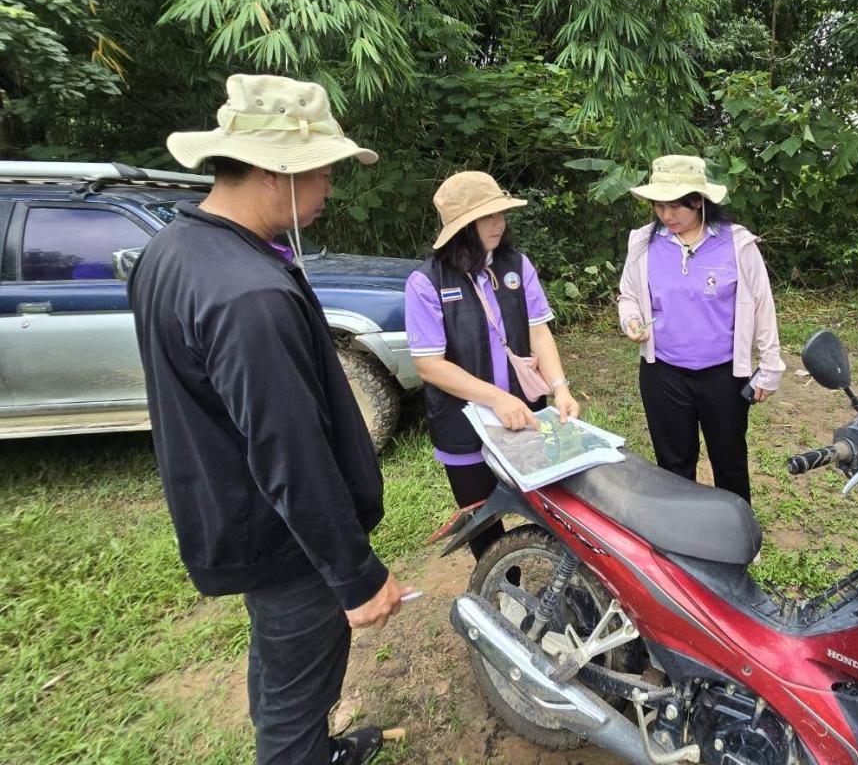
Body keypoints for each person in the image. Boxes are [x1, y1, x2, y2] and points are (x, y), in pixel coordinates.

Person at [129, 74, 405, 765]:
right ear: (273, 170)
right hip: (289, 541)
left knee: (282, 669)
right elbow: (289, 450)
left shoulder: (175, 251)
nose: (330, 190)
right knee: (294, 691)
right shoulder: (248, 292)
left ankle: (313, 746)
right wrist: (355, 573)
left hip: (237, 517)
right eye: (323, 173)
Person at [405, 171, 579, 559]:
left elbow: (539, 333)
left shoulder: (515, 265)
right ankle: (503, 591)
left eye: (500, 213)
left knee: (545, 503)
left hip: (524, 415)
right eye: (487, 217)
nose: (498, 223)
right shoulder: (426, 282)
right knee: (482, 518)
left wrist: (560, 387)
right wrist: (496, 398)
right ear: (461, 226)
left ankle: (554, 570)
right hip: (463, 424)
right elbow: (430, 365)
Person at [618, 155, 784, 503]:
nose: (666, 216)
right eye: (659, 206)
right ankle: (684, 539)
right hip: (663, 373)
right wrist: (631, 320)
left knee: (730, 461)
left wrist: (770, 367)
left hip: (723, 375)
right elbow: (628, 296)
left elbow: (761, 306)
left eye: (675, 206)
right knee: (674, 464)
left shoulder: (737, 244)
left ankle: (735, 536)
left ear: (698, 200)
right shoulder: (643, 242)